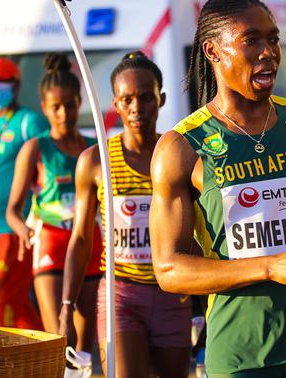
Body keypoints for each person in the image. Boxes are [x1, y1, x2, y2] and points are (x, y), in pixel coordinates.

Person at [149, 0, 286, 377]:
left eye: (274, 39)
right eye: (252, 41)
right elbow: (169, 270)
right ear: (213, 52)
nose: (268, 52)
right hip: (241, 354)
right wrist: (269, 267)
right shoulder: (182, 147)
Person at [58, 51, 192, 377]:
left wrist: (202, 304)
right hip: (121, 295)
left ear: (160, 99)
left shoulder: (180, 155)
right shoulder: (95, 162)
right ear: (115, 104)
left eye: (146, 97)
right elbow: (80, 238)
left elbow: (198, 231)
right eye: (127, 99)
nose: (136, 107)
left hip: (172, 295)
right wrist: (66, 307)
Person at [6, 54, 101, 352]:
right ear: (44, 108)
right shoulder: (36, 148)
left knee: (84, 348)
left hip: (89, 241)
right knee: (61, 339)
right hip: (51, 243)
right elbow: (12, 210)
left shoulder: (94, 148)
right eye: (56, 107)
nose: (64, 114)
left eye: (70, 105)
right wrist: (23, 230)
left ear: (79, 102)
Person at [0, 57, 48, 328]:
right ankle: (43, 360)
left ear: (15, 85)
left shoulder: (29, 122)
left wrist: (34, 221)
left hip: (14, 227)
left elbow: (46, 171)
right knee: (15, 302)